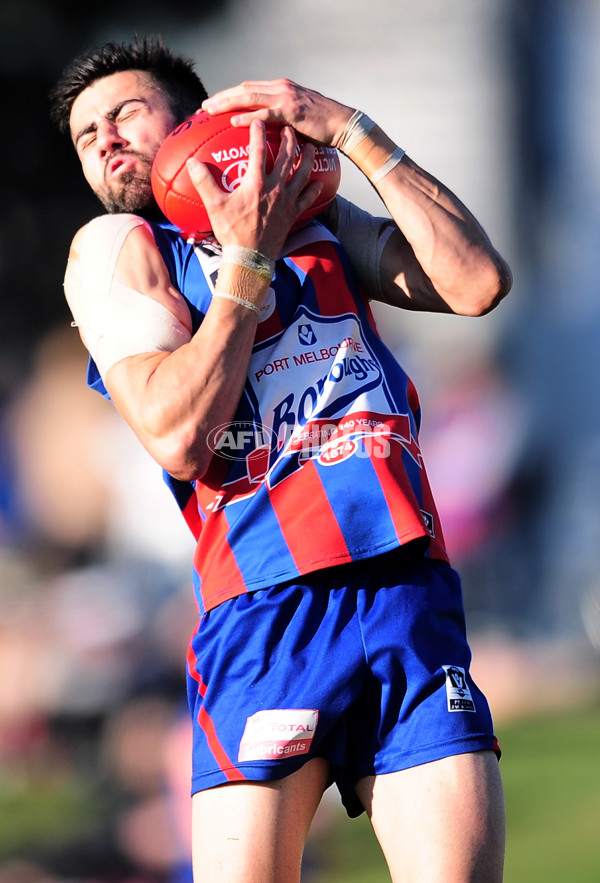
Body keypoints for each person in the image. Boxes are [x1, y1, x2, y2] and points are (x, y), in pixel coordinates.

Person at [50, 34, 512, 883]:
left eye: (124, 113)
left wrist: (351, 131)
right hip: (269, 608)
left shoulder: (316, 213)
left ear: (193, 120)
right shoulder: (120, 249)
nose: (105, 137)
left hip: (406, 587)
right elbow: (179, 433)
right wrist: (248, 262)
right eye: (86, 136)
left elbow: (477, 282)